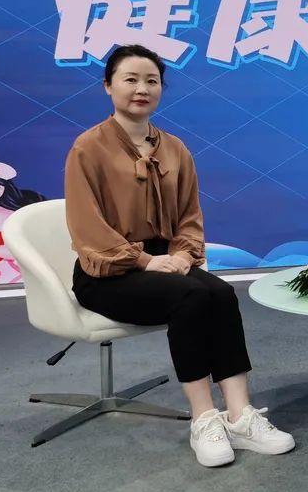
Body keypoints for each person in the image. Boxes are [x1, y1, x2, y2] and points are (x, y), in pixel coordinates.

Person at [64, 43, 294, 467]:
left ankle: (241, 416)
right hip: (108, 271)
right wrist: (146, 261)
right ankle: (203, 419)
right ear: (108, 86)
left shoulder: (174, 148)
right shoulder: (87, 148)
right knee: (190, 298)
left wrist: (185, 255)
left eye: (151, 81)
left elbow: (190, 217)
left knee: (220, 294)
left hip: (167, 261)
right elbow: (87, 226)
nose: (142, 89)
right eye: (130, 79)